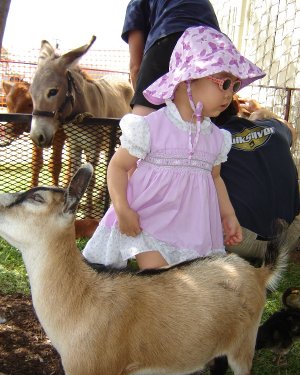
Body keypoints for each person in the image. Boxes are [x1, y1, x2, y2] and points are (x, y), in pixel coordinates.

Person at [82, 26, 265, 270]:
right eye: (224, 83)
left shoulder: (215, 137)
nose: (230, 94)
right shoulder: (152, 127)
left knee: (186, 290)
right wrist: (122, 208)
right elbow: (117, 166)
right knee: (158, 281)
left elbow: (215, 178)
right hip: (151, 223)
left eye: (235, 85)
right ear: (186, 81)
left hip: (195, 227)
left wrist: (227, 214)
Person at [212, 96, 300, 259]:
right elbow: (291, 130)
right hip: (288, 237)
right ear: (238, 110)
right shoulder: (275, 127)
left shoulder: (211, 138)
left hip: (241, 239)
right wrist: (259, 110)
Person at [121, 0, 221, 116]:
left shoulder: (136, 3)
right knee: (205, 123)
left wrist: (142, 99)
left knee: (142, 124)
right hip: (212, 46)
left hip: (169, 35)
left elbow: (135, 67)